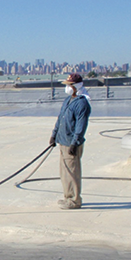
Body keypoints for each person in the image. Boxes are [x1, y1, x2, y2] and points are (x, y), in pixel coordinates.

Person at [49, 73, 91, 210]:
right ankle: (68, 197)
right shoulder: (68, 100)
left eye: (69, 85)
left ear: (75, 86)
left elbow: (81, 126)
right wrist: (54, 135)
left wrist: (75, 142)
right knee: (65, 173)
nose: (67, 88)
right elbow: (60, 119)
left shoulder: (82, 103)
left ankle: (74, 200)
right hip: (63, 140)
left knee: (72, 173)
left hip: (71, 143)